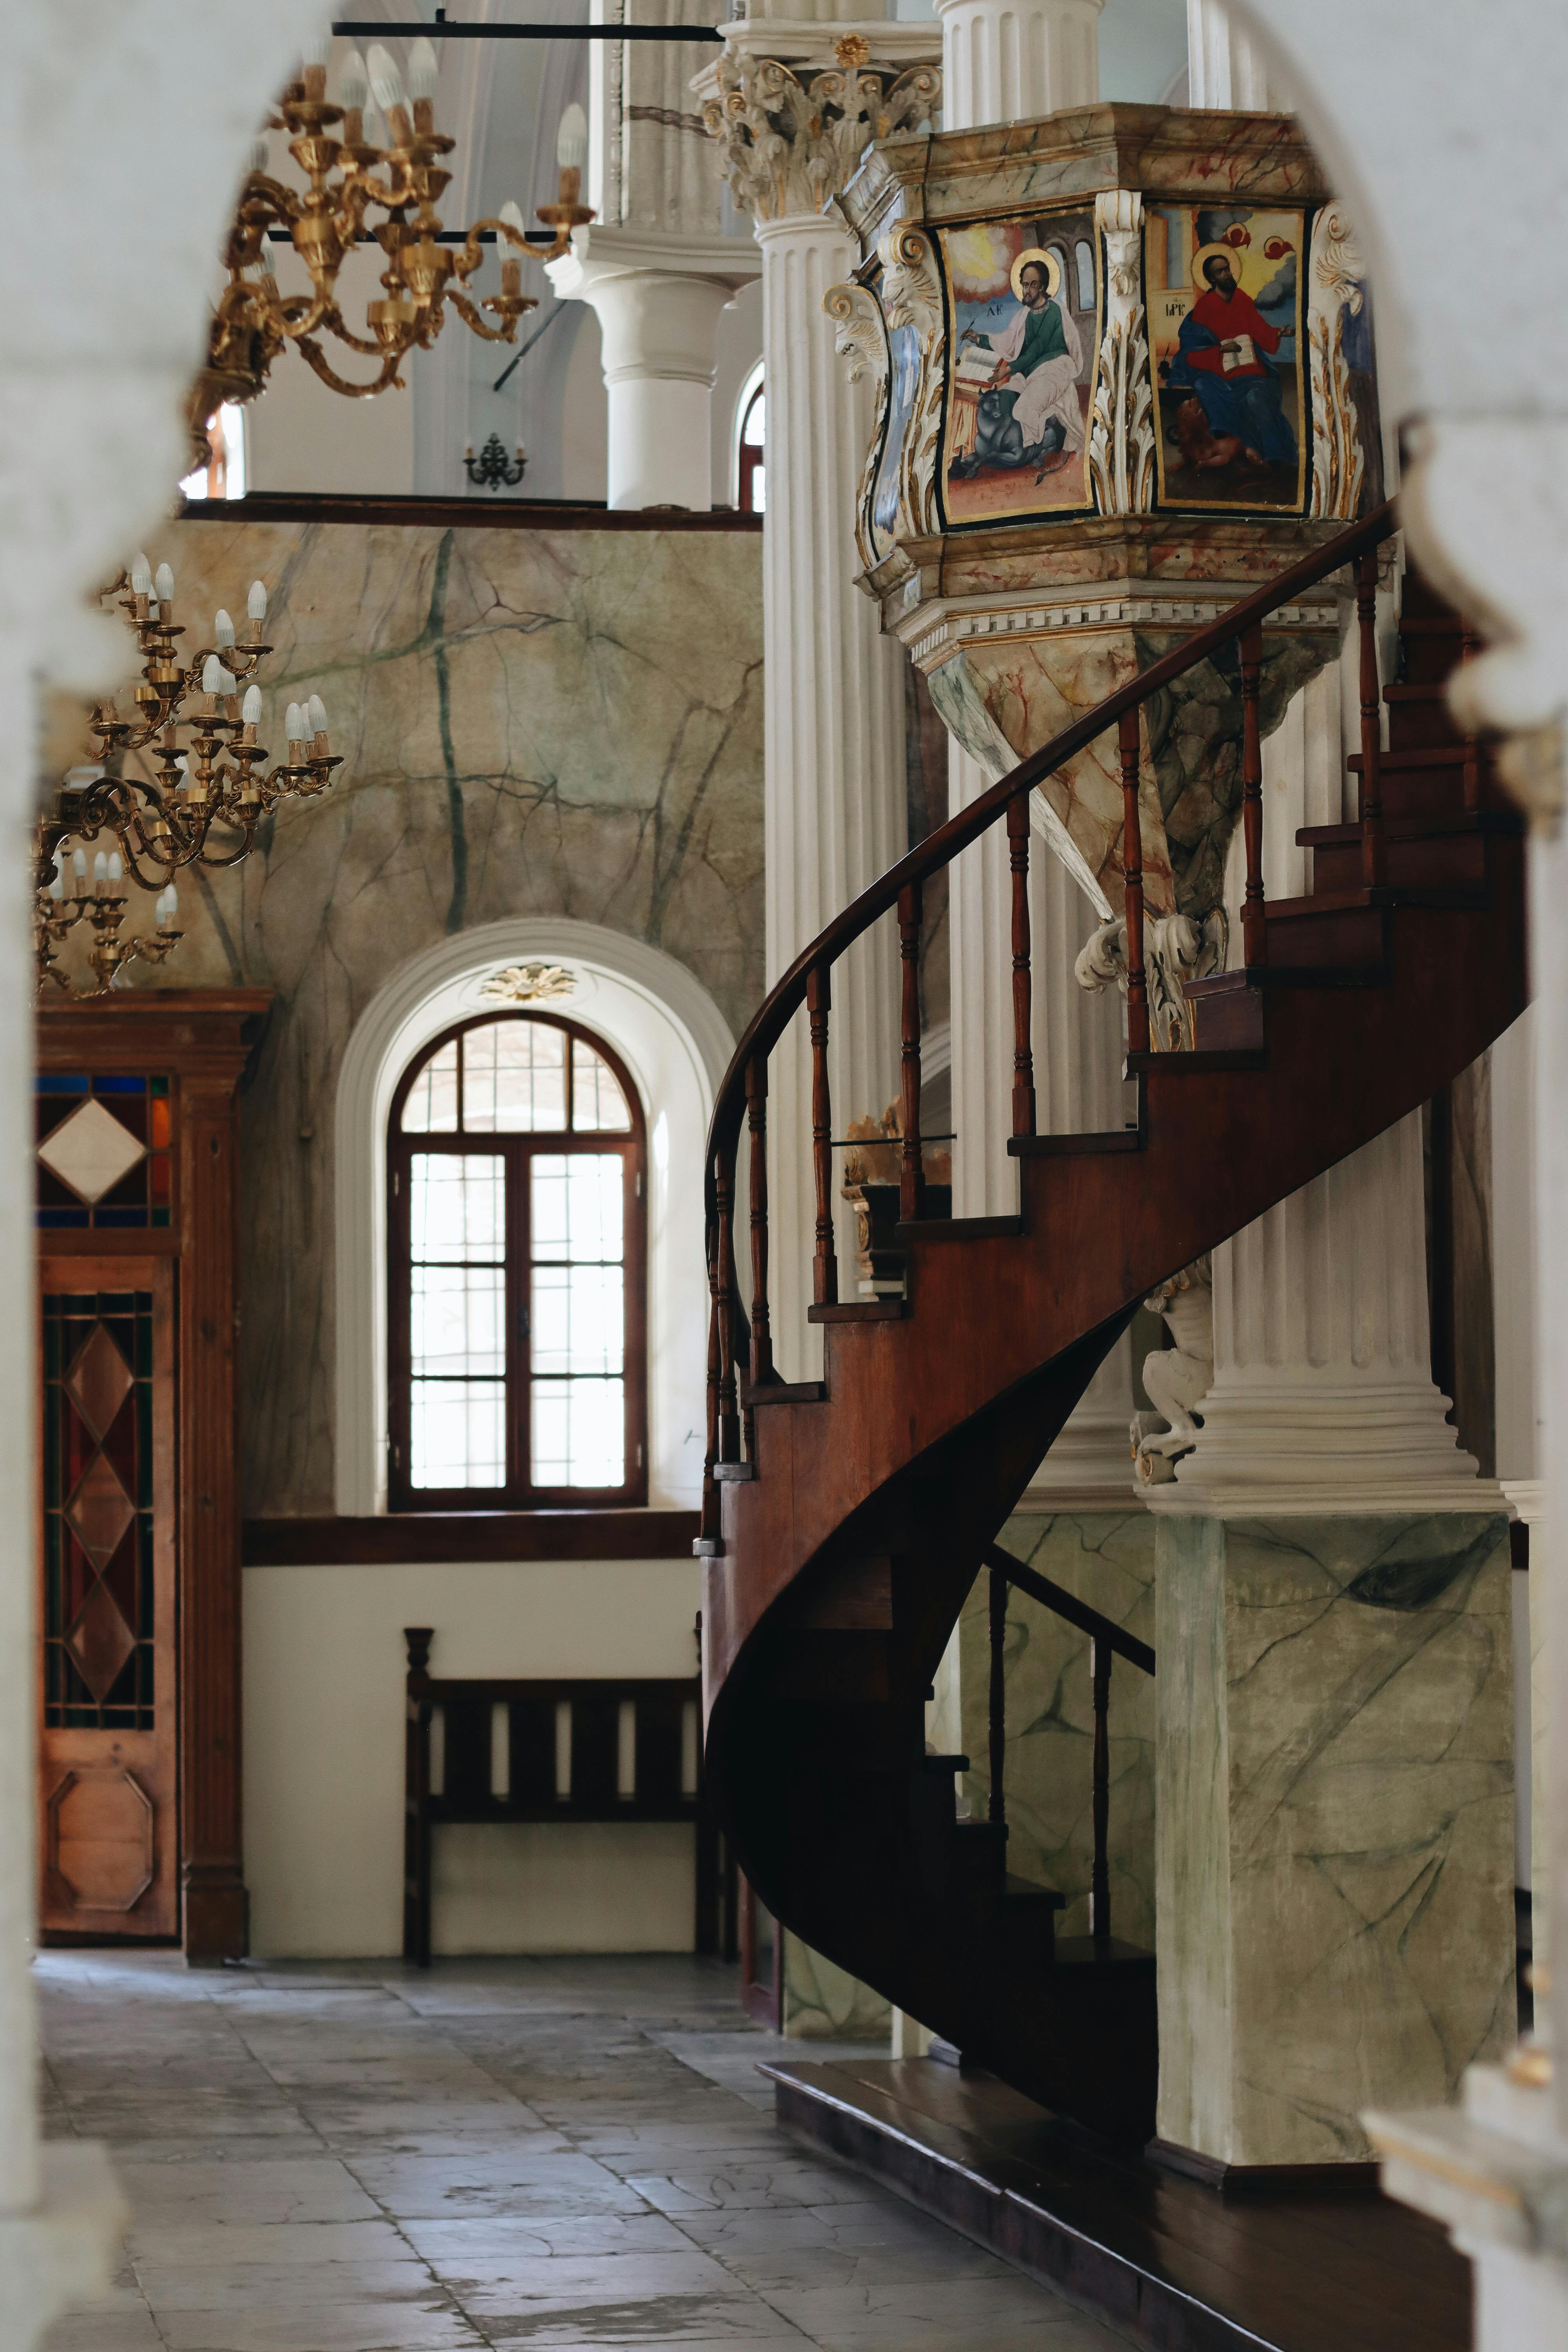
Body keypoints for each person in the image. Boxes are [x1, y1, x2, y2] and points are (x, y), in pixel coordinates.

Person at [952, 254, 1083, 477]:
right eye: (1025, 284)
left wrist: (1010, 369)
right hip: (1028, 373)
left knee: (1024, 409)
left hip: (1054, 369)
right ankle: (985, 450)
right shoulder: (1024, 316)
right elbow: (1006, 341)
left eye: (1032, 285)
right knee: (1002, 399)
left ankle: (1036, 447)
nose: (1027, 290)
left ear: (1043, 286)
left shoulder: (1054, 311)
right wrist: (979, 339)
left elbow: (1038, 347)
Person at [1165, 249, 1297, 468]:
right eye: (1220, 272)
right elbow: (1192, 352)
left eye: (1228, 269)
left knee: (1256, 398)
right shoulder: (1204, 308)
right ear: (1211, 279)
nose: (1227, 274)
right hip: (1222, 376)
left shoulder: (1242, 300)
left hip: (1252, 373)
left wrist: (1277, 334)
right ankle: (1240, 450)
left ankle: (1275, 457)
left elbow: (1260, 331)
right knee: (1209, 388)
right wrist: (1220, 350)